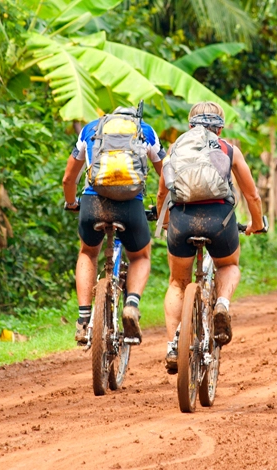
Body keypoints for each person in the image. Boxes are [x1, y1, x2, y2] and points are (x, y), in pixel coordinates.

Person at [158, 102, 265, 373]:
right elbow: (252, 195)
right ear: (220, 127)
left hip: (182, 219)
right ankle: (222, 304)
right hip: (220, 219)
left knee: (178, 283)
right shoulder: (229, 149)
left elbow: (162, 193)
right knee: (228, 265)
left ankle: (173, 346)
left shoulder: (175, 148)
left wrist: (167, 222)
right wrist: (256, 224)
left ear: (191, 125)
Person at [61, 106, 163, 346]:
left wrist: (71, 202)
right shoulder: (144, 131)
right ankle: (131, 305)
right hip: (130, 206)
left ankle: (84, 319)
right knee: (140, 257)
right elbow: (165, 175)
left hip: (93, 203)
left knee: (88, 252)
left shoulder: (90, 129)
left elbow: (68, 178)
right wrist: (160, 207)